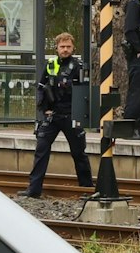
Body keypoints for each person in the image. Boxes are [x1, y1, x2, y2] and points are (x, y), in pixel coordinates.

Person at [22, 32, 91, 199]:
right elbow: (40, 87)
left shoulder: (79, 67)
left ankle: (87, 189)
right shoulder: (51, 64)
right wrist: (43, 109)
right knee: (41, 151)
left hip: (71, 116)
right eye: (62, 47)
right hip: (52, 116)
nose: (65, 50)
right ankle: (34, 190)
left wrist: (81, 115)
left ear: (73, 48)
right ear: (57, 48)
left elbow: (85, 92)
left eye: (68, 47)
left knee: (79, 153)